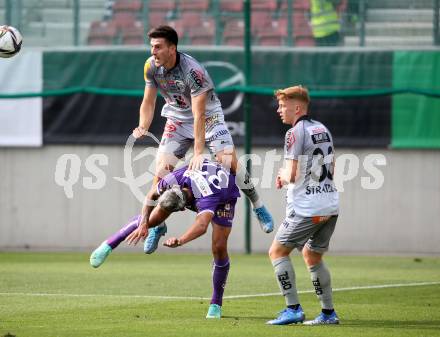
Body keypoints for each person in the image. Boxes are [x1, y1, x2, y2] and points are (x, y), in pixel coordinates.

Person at [132, 25, 273, 254]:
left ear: (172, 48)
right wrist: (143, 125)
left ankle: (258, 205)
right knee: (162, 176)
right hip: (177, 120)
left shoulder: (193, 71)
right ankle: (160, 225)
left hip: (208, 118)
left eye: (158, 47)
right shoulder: (151, 66)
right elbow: (148, 102)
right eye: (152, 47)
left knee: (229, 163)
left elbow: (199, 115)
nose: (153, 52)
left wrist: (198, 152)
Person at [90, 159, 240, 319]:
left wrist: (180, 240)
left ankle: (216, 303)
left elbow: (201, 226)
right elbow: (151, 195)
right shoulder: (172, 181)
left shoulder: (206, 198)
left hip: (224, 196)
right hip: (200, 176)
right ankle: (108, 245)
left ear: (183, 209)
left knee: (218, 246)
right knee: (149, 220)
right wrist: (144, 224)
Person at [266, 85, 340, 325]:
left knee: (277, 252)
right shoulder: (323, 129)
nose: (279, 110)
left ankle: (293, 309)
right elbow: (333, 167)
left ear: (297, 107)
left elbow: (292, 172)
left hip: (306, 208)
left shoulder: (295, 132)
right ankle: (328, 314)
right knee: (311, 255)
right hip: (329, 204)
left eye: (283, 105)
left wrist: (281, 176)